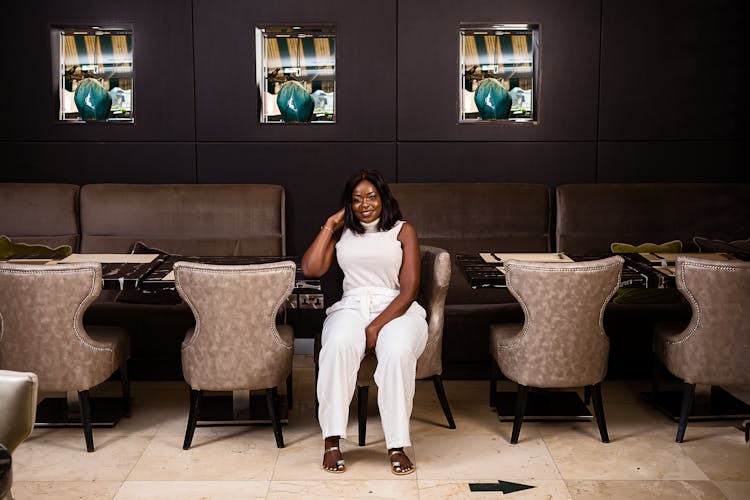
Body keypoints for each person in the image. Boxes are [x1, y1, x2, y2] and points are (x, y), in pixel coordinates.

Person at [301, 169, 427, 475]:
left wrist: (375, 327)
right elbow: (311, 268)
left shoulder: (402, 230)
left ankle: (396, 445)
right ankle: (332, 441)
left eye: (371, 196)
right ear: (349, 204)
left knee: (396, 352)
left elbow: (409, 290)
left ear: (383, 197)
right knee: (338, 345)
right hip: (352, 305)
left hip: (396, 307)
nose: (365, 204)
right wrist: (331, 224)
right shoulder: (343, 231)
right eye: (356, 199)